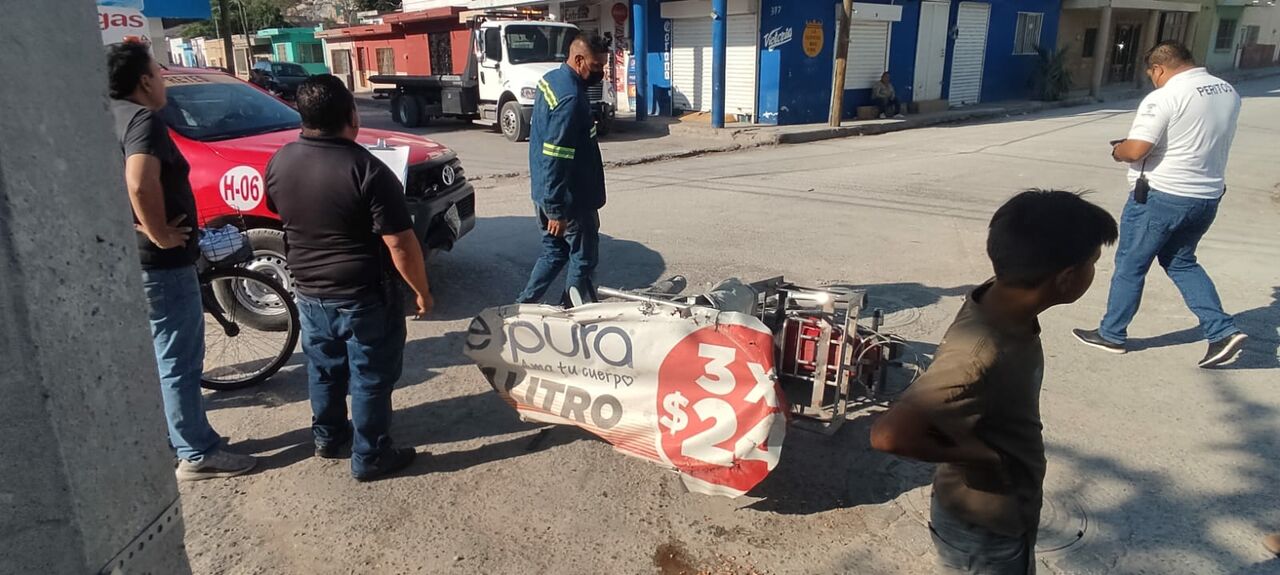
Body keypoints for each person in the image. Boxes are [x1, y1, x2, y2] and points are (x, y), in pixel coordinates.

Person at [872, 190, 1119, 575]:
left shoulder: (1003, 293)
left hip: (1001, 514)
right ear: (1067, 278)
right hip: (985, 530)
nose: (1093, 273)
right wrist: (982, 456)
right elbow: (889, 435)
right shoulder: (979, 351)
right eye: (1093, 264)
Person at [265, 74, 434, 482]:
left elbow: (278, 210)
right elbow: (400, 243)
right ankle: (370, 455)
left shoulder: (280, 161)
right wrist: (421, 291)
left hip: (308, 291)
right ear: (351, 115)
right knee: (370, 376)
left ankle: (327, 437)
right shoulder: (369, 170)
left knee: (323, 369)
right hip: (363, 296)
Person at [108, 42, 258, 481]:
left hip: (130, 260)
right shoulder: (142, 120)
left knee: (158, 357)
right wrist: (158, 233)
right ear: (144, 81)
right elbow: (139, 182)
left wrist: (133, 226)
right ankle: (197, 453)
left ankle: (177, 439)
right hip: (162, 264)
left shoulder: (101, 117)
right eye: (158, 73)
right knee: (179, 360)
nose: (162, 81)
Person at [1073, 41, 1247, 368]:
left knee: (1131, 265)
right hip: (1206, 196)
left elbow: (1137, 150)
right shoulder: (1226, 91)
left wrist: (1119, 150)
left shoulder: (1165, 96)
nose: (1153, 80)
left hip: (1161, 197)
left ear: (1158, 68)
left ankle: (1111, 334)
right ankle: (1223, 331)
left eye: (1152, 75)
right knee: (1181, 262)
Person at [516, 35, 609, 306]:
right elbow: (556, 157)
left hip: (545, 191)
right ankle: (570, 313)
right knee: (583, 258)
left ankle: (521, 308)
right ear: (579, 60)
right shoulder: (570, 99)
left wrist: (549, 201)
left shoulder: (551, 80)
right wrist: (557, 211)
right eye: (596, 65)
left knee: (554, 252)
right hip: (570, 199)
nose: (601, 73)